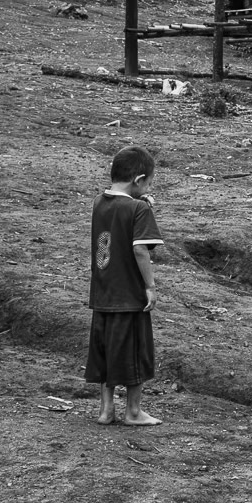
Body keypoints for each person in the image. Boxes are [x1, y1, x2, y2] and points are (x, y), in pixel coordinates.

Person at [86, 144, 165, 426]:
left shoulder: (99, 202)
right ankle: (133, 412)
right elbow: (140, 249)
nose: (148, 188)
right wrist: (150, 287)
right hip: (129, 297)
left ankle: (106, 411)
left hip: (102, 294)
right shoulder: (139, 209)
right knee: (135, 353)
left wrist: (140, 199)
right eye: (148, 183)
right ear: (139, 179)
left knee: (105, 351)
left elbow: (118, 214)